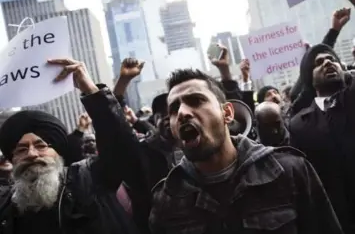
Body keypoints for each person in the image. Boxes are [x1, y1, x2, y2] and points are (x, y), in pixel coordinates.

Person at [149, 69, 342, 234]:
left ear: (227, 113)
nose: (182, 112)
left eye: (196, 101)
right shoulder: (167, 199)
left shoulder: (289, 170)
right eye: (174, 109)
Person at [0, 58, 145, 234]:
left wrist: (91, 92)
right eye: (21, 149)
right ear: (12, 159)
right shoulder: (5, 205)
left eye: (41, 145)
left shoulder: (88, 178)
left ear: (58, 153)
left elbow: (122, 148)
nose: (32, 154)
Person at [289, 44, 355, 234]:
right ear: (309, 78)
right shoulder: (298, 125)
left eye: (333, 59)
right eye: (319, 63)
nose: (328, 62)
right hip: (335, 222)